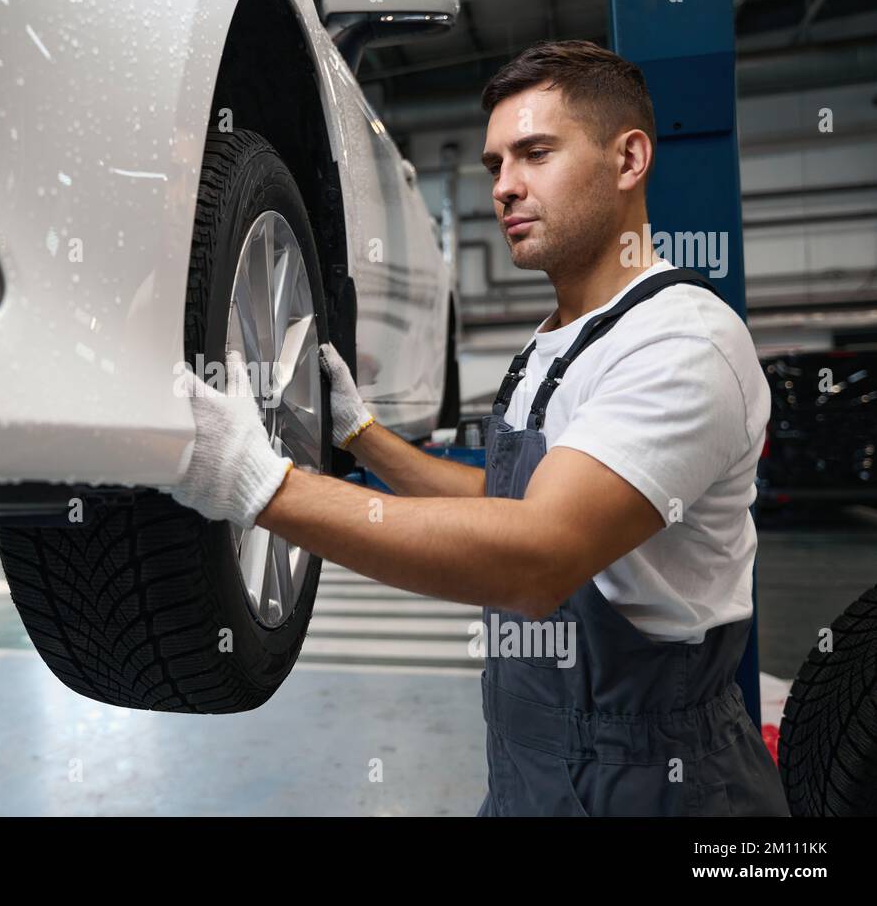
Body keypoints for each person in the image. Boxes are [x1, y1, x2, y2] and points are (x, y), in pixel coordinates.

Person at [167, 40, 789, 816]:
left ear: (630, 159)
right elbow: (507, 497)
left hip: (662, 780)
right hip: (530, 771)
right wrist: (364, 435)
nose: (504, 188)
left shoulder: (681, 343)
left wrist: (260, 488)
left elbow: (536, 559)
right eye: (495, 164)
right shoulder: (550, 342)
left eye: (534, 153)